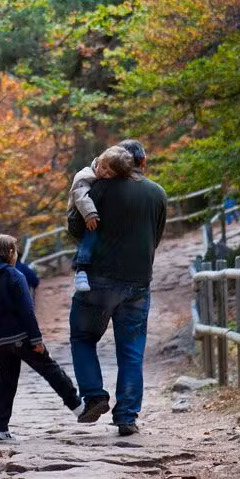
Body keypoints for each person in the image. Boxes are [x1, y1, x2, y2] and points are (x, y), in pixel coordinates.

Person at [68, 138, 167, 436]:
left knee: (83, 338)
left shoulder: (95, 188)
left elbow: (75, 229)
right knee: (131, 350)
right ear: (143, 163)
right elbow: (156, 236)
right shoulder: (157, 193)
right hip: (138, 280)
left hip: (95, 280)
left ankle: (95, 395)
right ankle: (126, 416)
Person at [0, 233, 83, 441]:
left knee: (5, 383)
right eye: (14, 250)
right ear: (9, 253)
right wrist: (36, 339)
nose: (16, 255)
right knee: (50, 369)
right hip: (22, 337)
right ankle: (77, 405)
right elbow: (27, 310)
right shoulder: (15, 276)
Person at [67, 145, 135, 293]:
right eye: (103, 167)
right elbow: (80, 195)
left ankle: (79, 260)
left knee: (92, 239)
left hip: (87, 213)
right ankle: (81, 270)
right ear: (99, 160)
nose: (103, 172)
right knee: (92, 233)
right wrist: (90, 214)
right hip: (77, 215)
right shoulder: (84, 175)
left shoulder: (103, 180)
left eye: (109, 173)